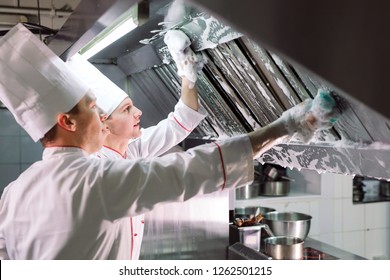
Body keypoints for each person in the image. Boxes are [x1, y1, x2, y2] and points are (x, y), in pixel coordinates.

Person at [0, 24, 340, 260]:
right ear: (68, 122)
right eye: (93, 108)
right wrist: (286, 125)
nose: (100, 119)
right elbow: (191, 171)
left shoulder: (16, 191)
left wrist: (187, 71)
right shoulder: (92, 182)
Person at [65, 30, 207, 260]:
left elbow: (179, 123)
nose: (138, 112)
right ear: (104, 125)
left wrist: (186, 73)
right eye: (127, 109)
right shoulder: (94, 170)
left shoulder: (131, 148)